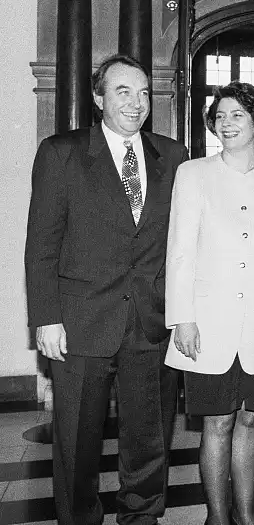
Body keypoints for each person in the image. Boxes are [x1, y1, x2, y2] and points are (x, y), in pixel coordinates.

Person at [25, 54, 189, 525]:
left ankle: (142, 514)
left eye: (143, 93)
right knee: (76, 440)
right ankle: (78, 517)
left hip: (150, 323)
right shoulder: (62, 153)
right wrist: (45, 318)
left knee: (150, 437)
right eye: (122, 92)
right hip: (80, 323)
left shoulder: (173, 157)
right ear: (99, 98)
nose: (136, 104)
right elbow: (41, 247)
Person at [165, 82, 254, 525]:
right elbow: (179, 252)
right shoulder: (192, 174)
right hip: (208, 324)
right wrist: (181, 319)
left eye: (237, 115)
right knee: (217, 423)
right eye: (220, 115)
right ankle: (217, 517)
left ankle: (245, 515)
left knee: (250, 423)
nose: (227, 122)